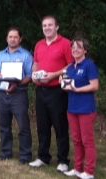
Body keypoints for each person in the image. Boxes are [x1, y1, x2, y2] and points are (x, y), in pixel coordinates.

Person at [30, 15, 74, 172]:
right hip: (41, 90)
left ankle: (63, 159)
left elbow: (71, 66)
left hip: (58, 90)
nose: (47, 28)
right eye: (44, 26)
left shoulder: (66, 44)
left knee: (60, 125)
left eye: (50, 25)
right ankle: (43, 157)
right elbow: (35, 63)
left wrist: (54, 74)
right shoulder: (39, 44)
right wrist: (34, 75)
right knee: (42, 125)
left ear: (57, 27)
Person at [0, 27, 32, 164]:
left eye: (15, 37)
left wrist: (18, 84)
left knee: (23, 126)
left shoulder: (26, 55)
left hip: (18, 94)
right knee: (4, 126)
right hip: (2, 94)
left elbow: (30, 76)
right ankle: (5, 152)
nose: (13, 39)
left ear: (20, 39)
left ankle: (25, 155)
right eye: (10, 37)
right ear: (6, 38)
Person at [63, 37, 98, 179]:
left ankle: (89, 171)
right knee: (76, 140)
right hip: (72, 108)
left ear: (85, 50)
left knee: (87, 140)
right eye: (73, 47)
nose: (75, 50)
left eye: (79, 47)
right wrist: (63, 83)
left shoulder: (89, 65)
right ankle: (78, 168)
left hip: (86, 108)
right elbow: (67, 84)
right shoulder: (70, 67)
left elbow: (94, 86)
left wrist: (78, 89)